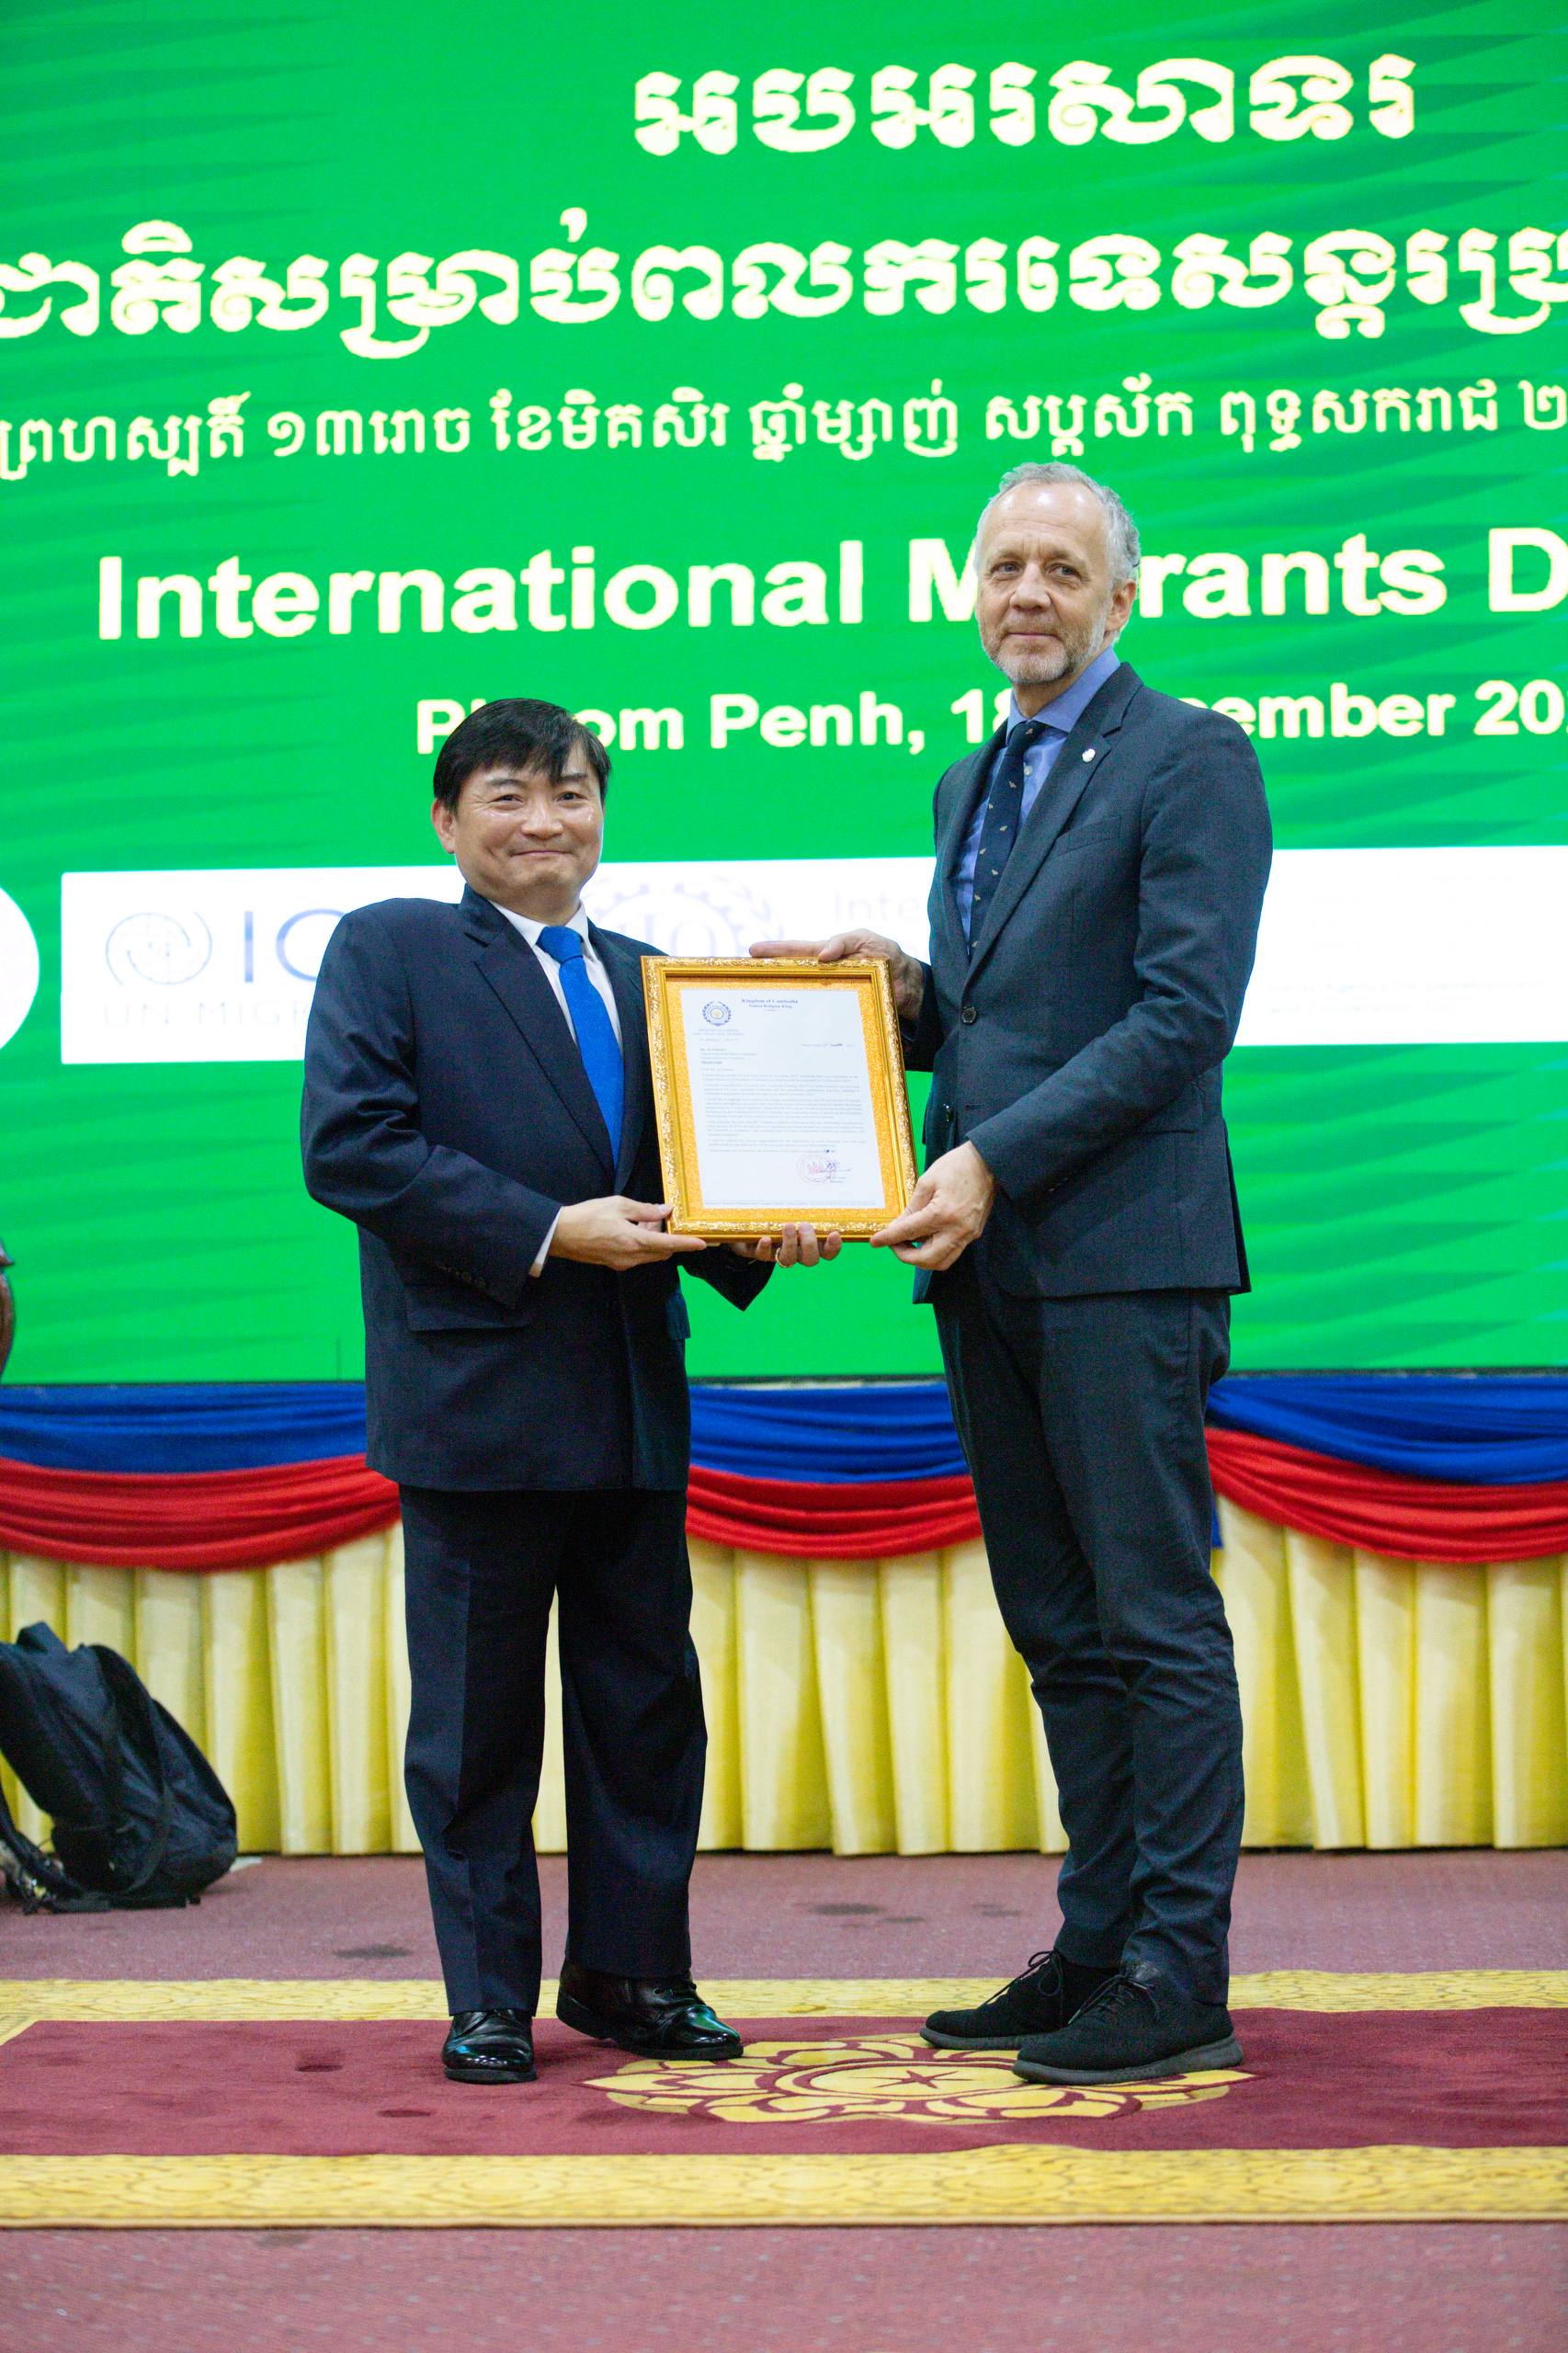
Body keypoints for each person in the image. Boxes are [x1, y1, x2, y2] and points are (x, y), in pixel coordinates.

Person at [756, 462, 1272, 2086]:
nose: (1026, 594)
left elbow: (1180, 1016)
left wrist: (988, 1160)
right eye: (1001, 568)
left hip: (1121, 1259)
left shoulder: (1189, 756)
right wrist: (897, 994)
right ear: (969, 593)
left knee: (1152, 1619)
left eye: (1059, 567)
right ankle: (1099, 1941)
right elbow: (1004, 1020)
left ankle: (1178, 1970)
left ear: (1122, 596)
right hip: (987, 1263)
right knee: (1057, 1623)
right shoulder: (966, 779)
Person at [302, 698, 838, 2087]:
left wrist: (776, 1221)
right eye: (508, 796)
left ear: (603, 814)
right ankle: (489, 1998)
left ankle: (630, 1975)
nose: (545, 822)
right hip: (476, 1404)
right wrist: (548, 1229)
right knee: (476, 1726)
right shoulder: (391, 949)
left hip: (632, 1403)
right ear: (447, 820)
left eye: (572, 795)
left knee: (645, 1710)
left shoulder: (657, 979)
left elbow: (692, 1189)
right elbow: (352, 1149)